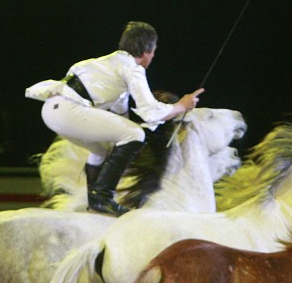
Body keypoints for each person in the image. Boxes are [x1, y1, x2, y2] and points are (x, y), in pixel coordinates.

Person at [26, 21, 203, 215]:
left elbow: (121, 119)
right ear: (146, 51)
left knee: (102, 150)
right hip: (70, 112)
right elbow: (149, 111)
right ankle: (102, 198)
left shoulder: (102, 65)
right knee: (134, 134)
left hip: (51, 110)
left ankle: (94, 200)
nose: (152, 56)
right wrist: (181, 106)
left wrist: (147, 126)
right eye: (153, 51)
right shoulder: (132, 69)